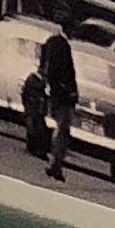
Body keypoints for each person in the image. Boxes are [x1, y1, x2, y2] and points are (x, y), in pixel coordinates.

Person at [36, 21, 79, 184]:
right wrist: (68, 90)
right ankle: (55, 164)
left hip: (57, 93)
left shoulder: (52, 43)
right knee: (62, 130)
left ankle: (55, 163)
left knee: (60, 129)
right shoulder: (61, 46)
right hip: (62, 94)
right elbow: (61, 71)